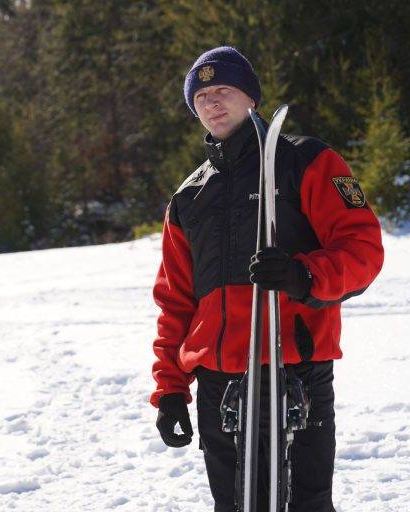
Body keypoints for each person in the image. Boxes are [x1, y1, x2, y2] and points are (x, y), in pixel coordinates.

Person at [149, 47, 383, 511]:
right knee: (235, 505)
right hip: (219, 381)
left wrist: (305, 276)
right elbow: (175, 302)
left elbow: (363, 250)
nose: (212, 103)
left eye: (224, 91)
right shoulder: (188, 197)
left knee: (304, 504)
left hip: (293, 369)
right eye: (201, 96)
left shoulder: (306, 160)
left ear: (250, 98)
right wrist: (171, 388)